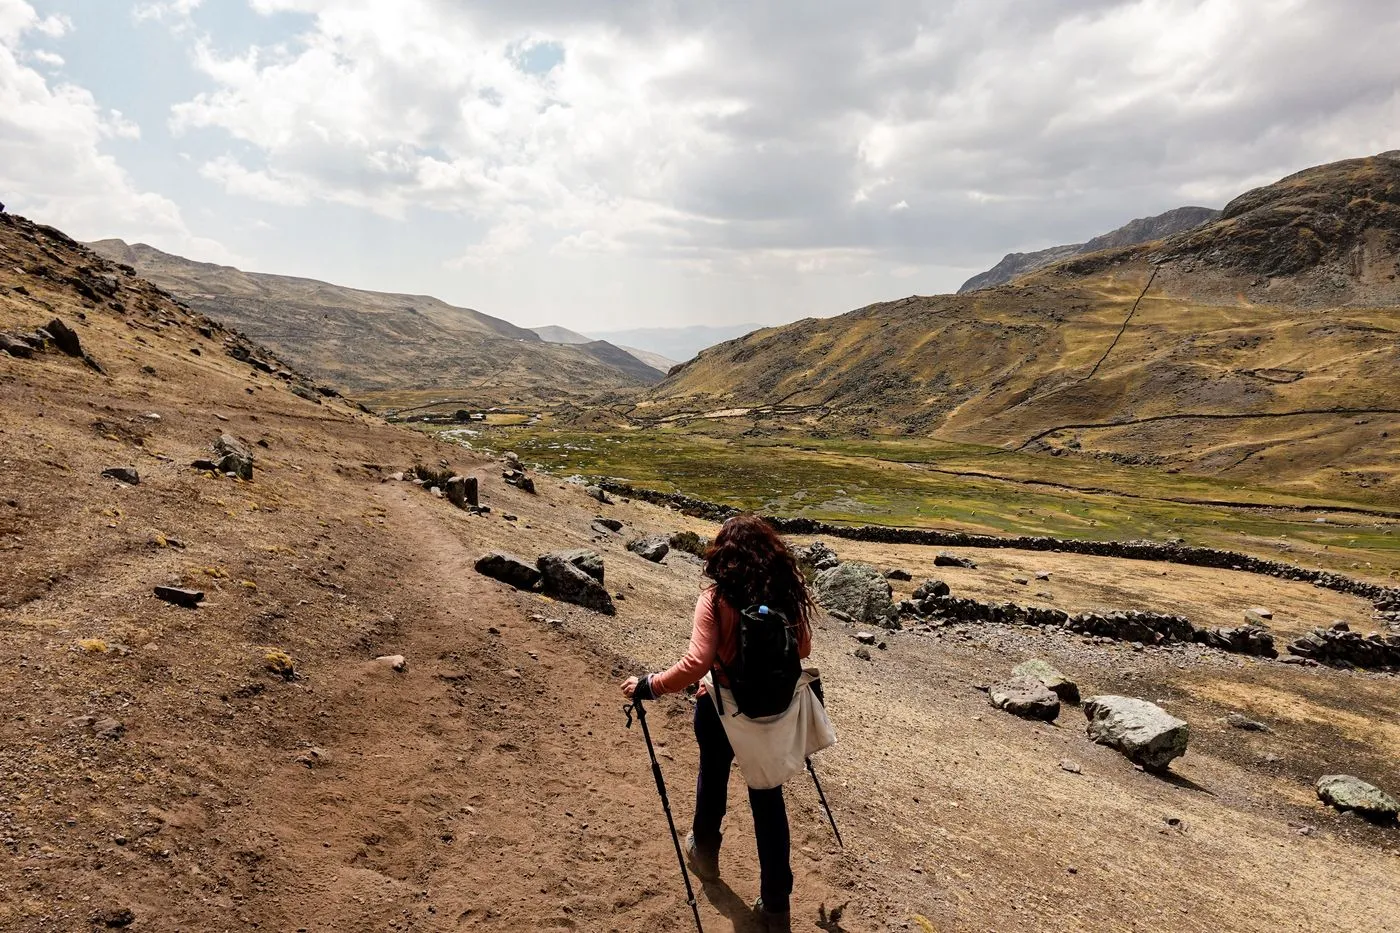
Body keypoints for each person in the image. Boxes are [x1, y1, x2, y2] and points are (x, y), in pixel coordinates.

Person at [621, 514, 816, 933]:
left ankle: (705, 852)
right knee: (768, 801)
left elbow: (697, 663)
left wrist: (649, 686)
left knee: (713, 776)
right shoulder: (786, 594)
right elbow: (801, 648)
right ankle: (777, 908)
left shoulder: (716, 598)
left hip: (720, 706)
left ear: (722, 555)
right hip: (771, 714)